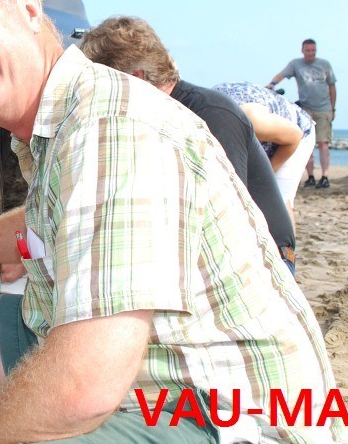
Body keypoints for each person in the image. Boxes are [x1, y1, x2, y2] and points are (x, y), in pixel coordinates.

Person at [0, 0, 346, 443]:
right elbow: (37, 221)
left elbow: (84, 385)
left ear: (29, 9)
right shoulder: (57, 122)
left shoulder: (110, 127)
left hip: (232, 414)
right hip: (152, 369)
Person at [80, 16, 296, 274]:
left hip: (265, 260)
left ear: (137, 78)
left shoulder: (211, 115)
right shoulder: (155, 117)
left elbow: (228, 220)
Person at [213, 81, 316, 215]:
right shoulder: (194, 125)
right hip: (243, 121)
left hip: (296, 132)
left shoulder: (252, 122)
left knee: (277, 200)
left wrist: (266, 178)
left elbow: (295, 136)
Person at [266, 39, 337, 188]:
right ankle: (310, 176)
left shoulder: (324, 64)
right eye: (308, 50)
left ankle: (325, 177)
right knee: (306, 143)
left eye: (313, 50)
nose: (311, 53)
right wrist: (272, 84)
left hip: (324, 108)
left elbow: (332, 87)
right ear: (302, 50)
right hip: (305, 108)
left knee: (323, 143)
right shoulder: (296, 64)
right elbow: (282, 74)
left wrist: (333, 108)